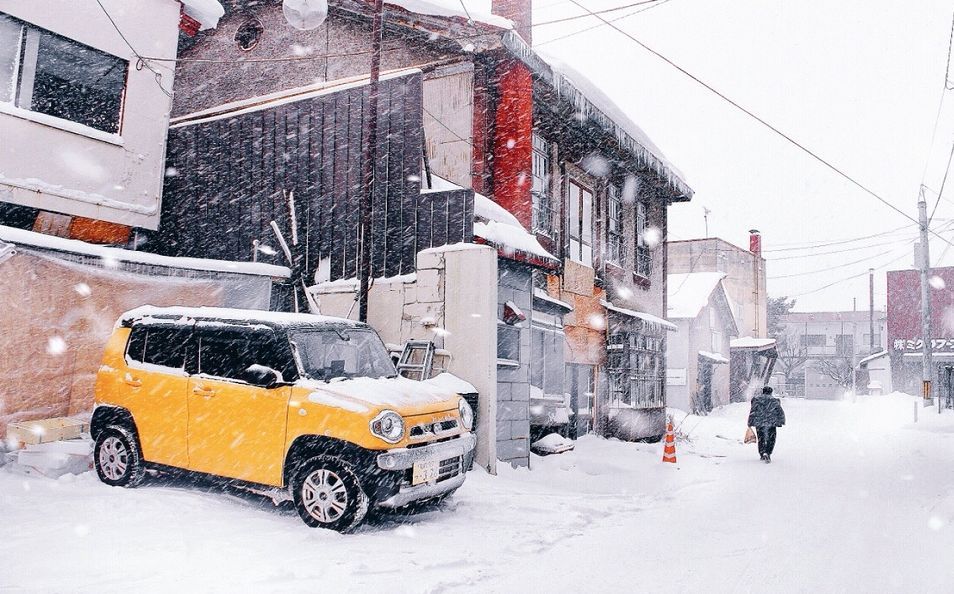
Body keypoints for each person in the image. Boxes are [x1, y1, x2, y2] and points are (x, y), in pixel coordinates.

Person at [747, 385, 786, 463]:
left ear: (763, 391)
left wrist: (750, 422)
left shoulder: (756, 400)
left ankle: (762, 453)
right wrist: (782, 421)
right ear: (771, 392)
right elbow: (780, 412)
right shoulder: (774, 401)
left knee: (761, 438)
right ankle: (768, 452)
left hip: (759, 422)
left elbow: (753, 411)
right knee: (771, 438)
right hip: (772, 422)